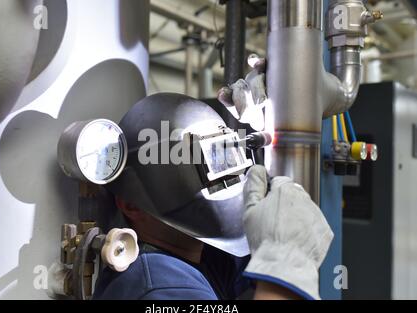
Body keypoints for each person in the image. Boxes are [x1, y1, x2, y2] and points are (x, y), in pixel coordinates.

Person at [93, 84, 334, 300]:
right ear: (131, 205)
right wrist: (284, 271)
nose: (225, 174)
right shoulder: (162, 286)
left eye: (227, 155)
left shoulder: (197, 255)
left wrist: (282, 100)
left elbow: (249, 253)